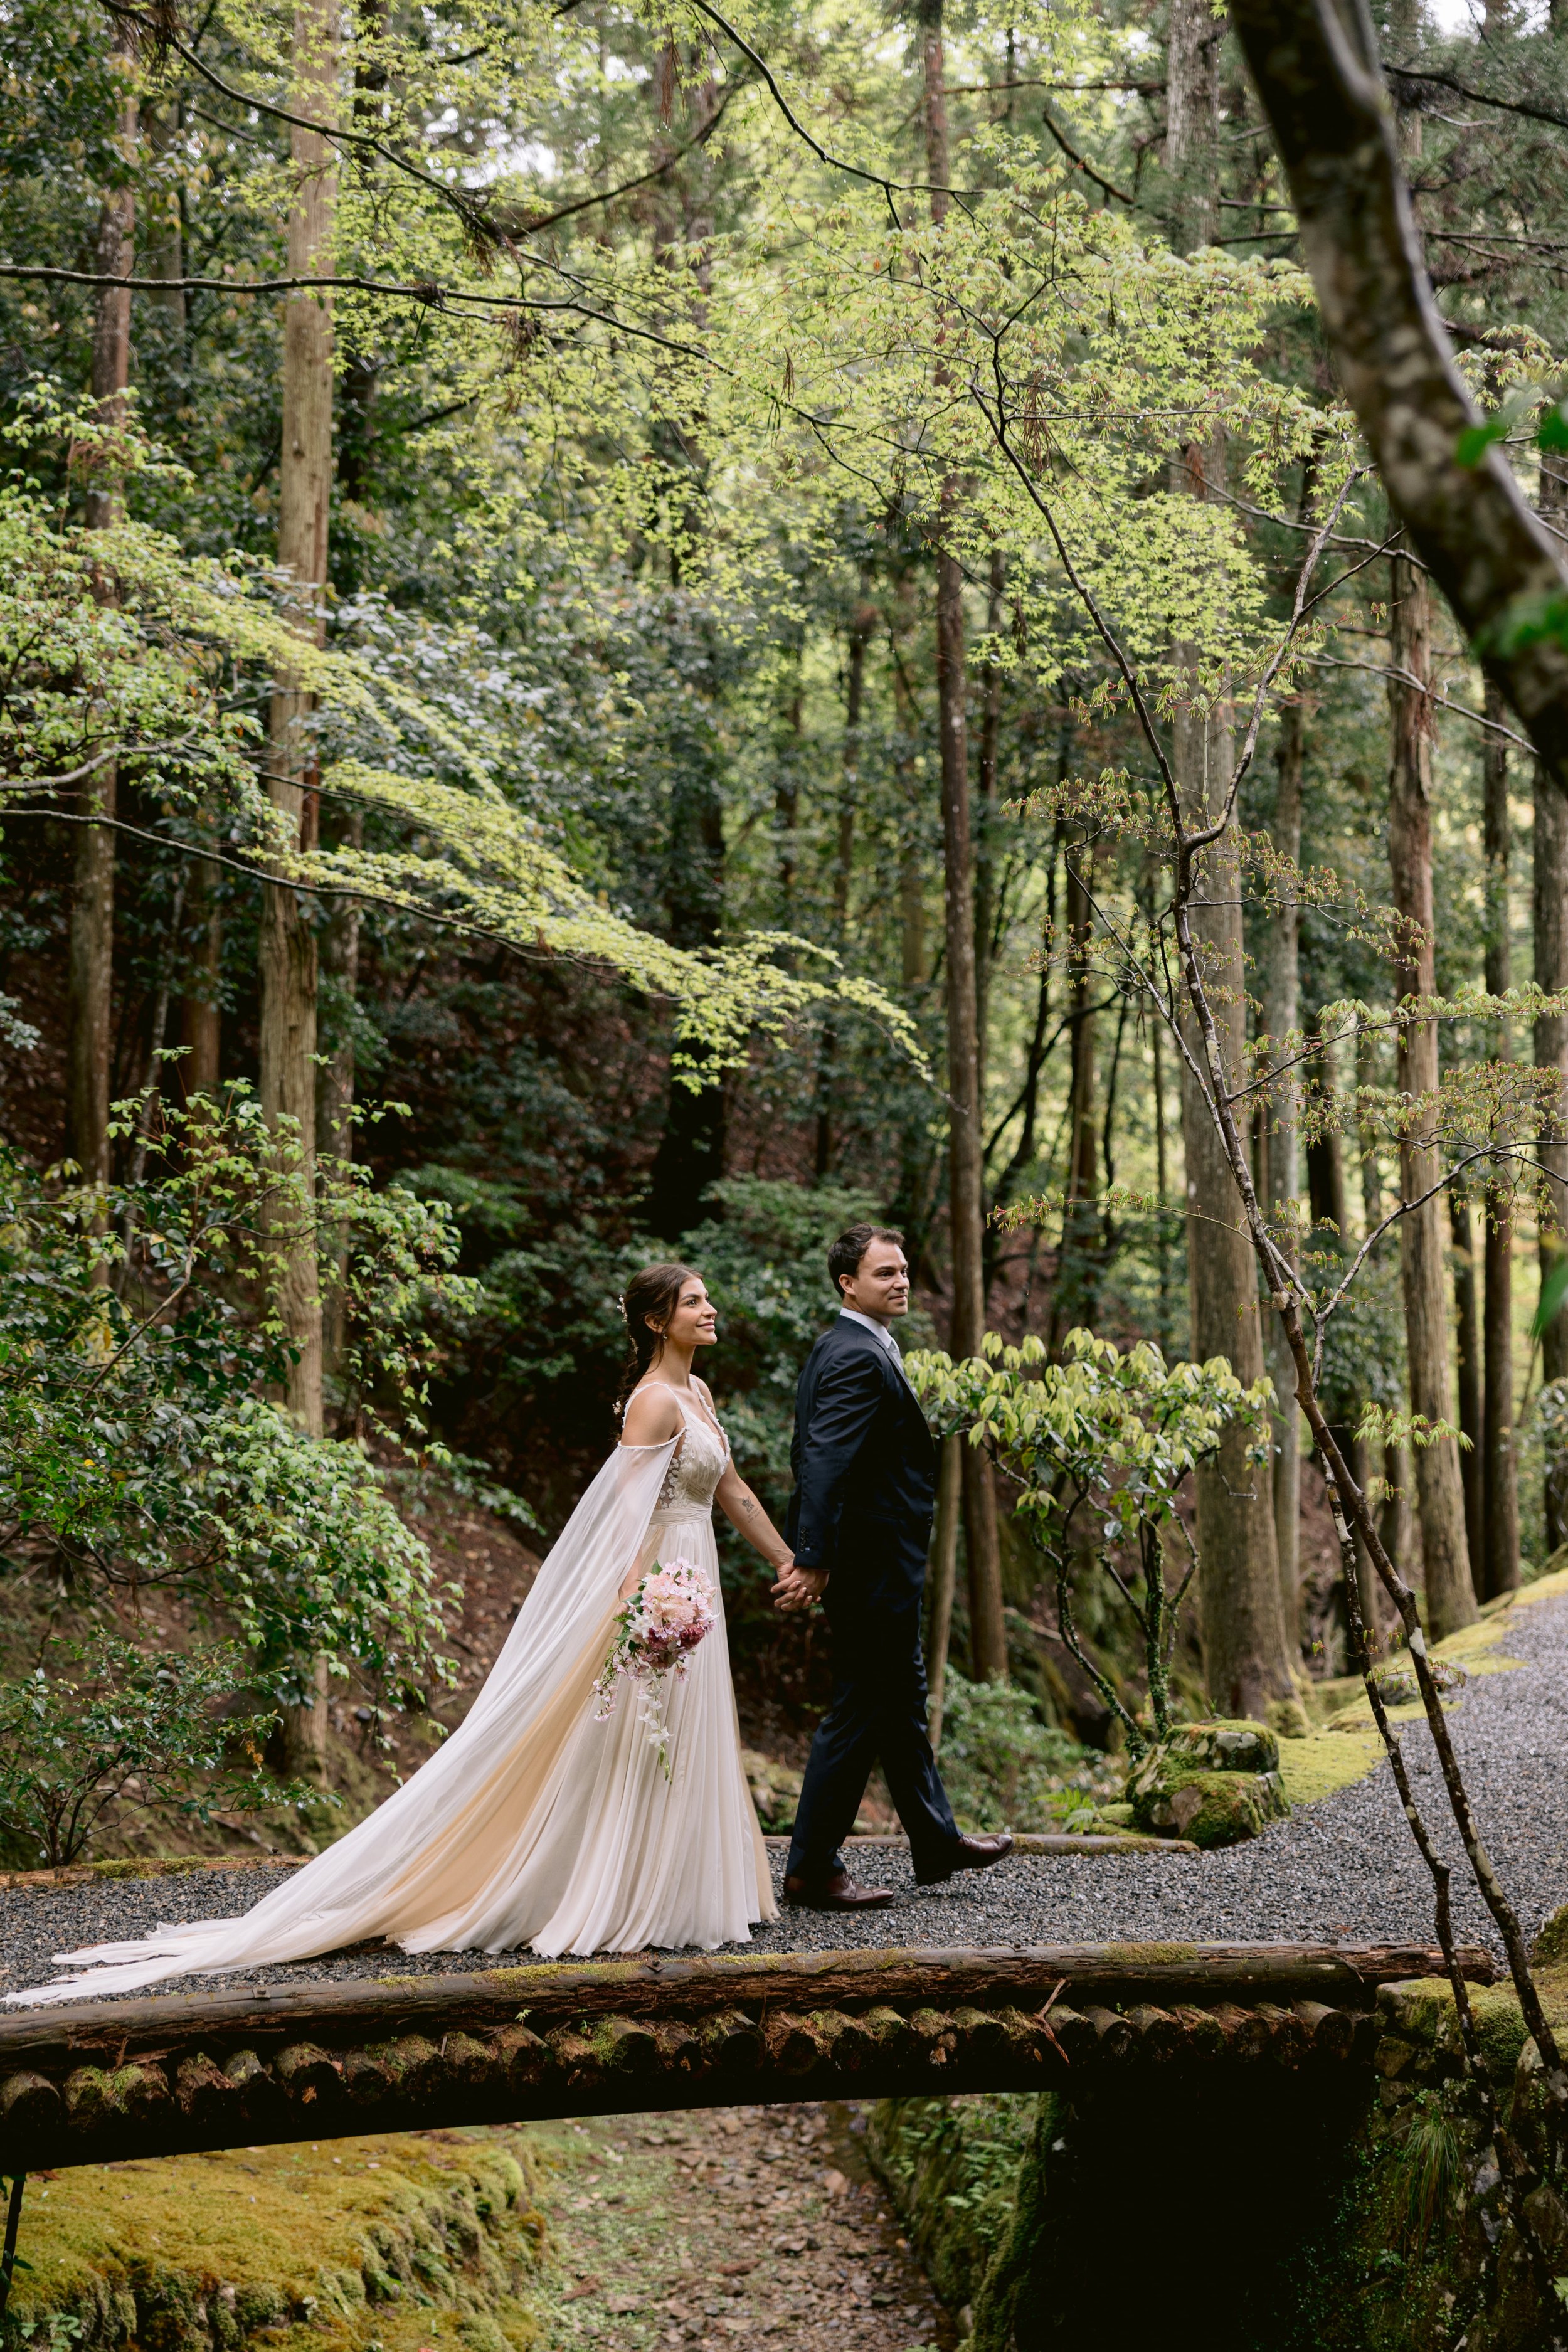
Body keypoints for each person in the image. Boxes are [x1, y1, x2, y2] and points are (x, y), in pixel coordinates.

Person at [8, 1264, 791, 2003]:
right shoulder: (653, 1401)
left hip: (695, 1571)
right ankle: (620, 1889)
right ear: (657, 1320)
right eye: (694, 1301)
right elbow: (624, 1511)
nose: (709, 1309)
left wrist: (787, 1560)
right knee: (635, 1732)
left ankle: (683, 1884)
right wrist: (637, 1602)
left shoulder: (699, 1393)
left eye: (705, 1299)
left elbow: (730, 1488)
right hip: (658, 1582)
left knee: (683, 1727)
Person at [773, 1223, 1014, 1910]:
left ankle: (935, 1839)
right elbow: (822, 1462)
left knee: (903, 1698)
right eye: (885, 1273)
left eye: (904, 1270)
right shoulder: (854, 1354)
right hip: (868, 1566)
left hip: (883, 1563)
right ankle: (811, 1868)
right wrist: (814, 1558)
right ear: (848, 1284)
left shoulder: (853, 1343)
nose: (901, 1280)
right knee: (859, 1708)